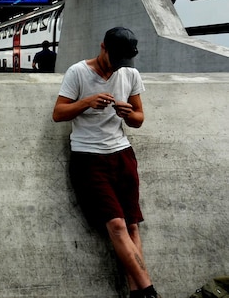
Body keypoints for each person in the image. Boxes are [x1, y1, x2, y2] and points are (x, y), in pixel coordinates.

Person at [52, 27, 161, 298]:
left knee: (132, 225)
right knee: (116, 225)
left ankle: (138, 292)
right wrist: (87, 102)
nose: (117, 69)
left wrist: (127, 114)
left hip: (122, 154)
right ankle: (149, 292)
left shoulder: (130, 73)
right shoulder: (77, 72)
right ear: (103, 48)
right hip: (88, 158)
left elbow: (139, 119)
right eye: (115, 61)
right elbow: (58, 113)